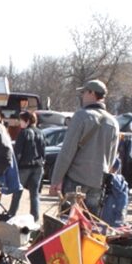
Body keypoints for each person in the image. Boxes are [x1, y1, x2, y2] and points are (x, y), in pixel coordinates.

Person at [49, 80, 119, 213]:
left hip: (76, 180)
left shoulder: (81, 116)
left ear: (92, 93)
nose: (82, 96)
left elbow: (67, 152)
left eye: (84, 92)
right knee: (89, 225)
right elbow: (111, 158)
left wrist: (56, 180)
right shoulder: (113, 122)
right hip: (98, 182)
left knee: (68, 225)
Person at [8, 110, 46, 219]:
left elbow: (17, 152)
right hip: (38, 166)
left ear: (27, 121)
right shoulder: (41, 132)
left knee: (17, 192)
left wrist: (14, 166)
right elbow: (43, 151)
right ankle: (35, 217)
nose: (20, 122)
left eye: (21, 120)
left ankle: (11, 214)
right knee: (34, 194)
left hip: (24, 166)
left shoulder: (23, 133)